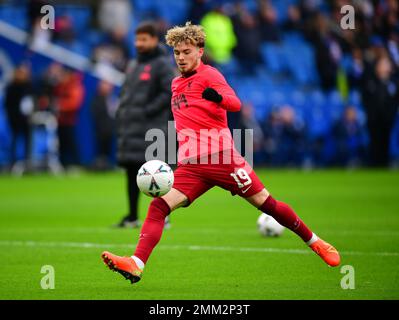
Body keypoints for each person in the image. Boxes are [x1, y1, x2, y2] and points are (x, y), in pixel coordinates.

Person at [101, 22, 341, 284]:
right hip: (191, 164)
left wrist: (217, 98)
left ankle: (315, 242)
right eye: (177, 53)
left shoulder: (211, 76)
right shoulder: (175, 84)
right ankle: (136, 264)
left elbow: (235, 104)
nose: (181, 57)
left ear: (200, 51)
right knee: (158, 207)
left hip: (221, 159)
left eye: (186, 52)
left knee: (267, 204)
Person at [114, 22, 175, 228]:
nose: (139, 43)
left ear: (154, 40)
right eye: (137, 39)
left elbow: (169, 93)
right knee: (132, 173)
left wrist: (147, 111)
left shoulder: (163, 64)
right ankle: (132, 217)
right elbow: (126, 94)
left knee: (156, 174)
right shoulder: (133, 64)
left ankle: (163, 217)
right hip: (131, 129)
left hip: (153, 130)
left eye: (143, 39)